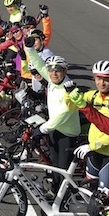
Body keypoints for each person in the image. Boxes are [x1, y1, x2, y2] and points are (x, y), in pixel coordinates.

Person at [25, 52, 81, 194]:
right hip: (54, 130)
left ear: (65, 71)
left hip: (67, 133)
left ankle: (62, 199)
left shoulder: (69, 89)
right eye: (51, 70)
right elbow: (38, 63)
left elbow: (63, 114)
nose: (54, 73)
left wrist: (43, 129)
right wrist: (30, 48)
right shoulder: (52, 81)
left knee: (62, 168)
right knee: (54, 164)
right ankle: (55, 191)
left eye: (58, 70)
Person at [73, 60, 109, 196]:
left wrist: (92, 146)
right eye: (98, 78)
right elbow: (74, 100)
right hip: (93, 152)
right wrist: (67, 89)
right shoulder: (93, 95)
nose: (101, 83)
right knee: (89, 191)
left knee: (105, 194)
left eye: (106, 80)